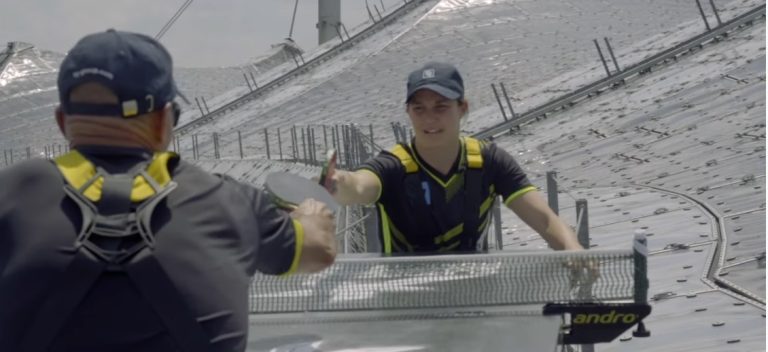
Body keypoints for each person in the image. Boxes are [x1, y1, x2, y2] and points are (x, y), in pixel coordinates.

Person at [0, 29, 337, 352]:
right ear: (165, 120)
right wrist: (311, 214)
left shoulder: (10, 195)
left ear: (62, 121)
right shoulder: (232, 202)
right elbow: (318, 250)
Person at [325, 62, 583, 254]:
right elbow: (359, 186)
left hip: (473, 287)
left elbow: (545, 219)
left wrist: (572, 248)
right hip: (404, 296)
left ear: (463, 108)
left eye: (441, 107)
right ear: (408, 112)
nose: (430, 119)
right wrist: (337, 182)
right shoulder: (395, 165)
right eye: (419, 109)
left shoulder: (488, 161)